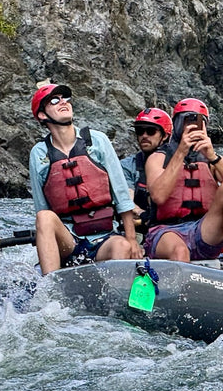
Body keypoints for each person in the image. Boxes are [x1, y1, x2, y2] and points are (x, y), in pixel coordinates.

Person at [28, 83, 143, 275]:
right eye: (54, 100)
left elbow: (121, 194)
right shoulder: (39, 153)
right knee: (44, 217)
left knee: (122, 246)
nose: (63, 102)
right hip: (69, 240)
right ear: (42, 115)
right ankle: (50, 289)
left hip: (105, 236)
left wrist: (132, 239)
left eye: (65, 98)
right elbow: (42, 208)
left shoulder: (98, 141)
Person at [144, 98, 223, 275]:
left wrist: (212, 156)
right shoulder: (158, 158)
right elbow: (158, 196)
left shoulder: (212, 160)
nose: (191, 127)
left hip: (203, 230)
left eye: (198, 121)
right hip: (165, 231)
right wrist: (181, 152)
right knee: (180, 251)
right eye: (186, 120)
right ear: (177, 124)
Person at [120, 108, 173, 227]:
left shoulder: (177, 163)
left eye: (150, 131)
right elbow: (126, 200)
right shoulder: (128, 165)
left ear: (164, 136)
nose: (144, 136)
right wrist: (143, 214)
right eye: (140, 131)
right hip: (142, 226)